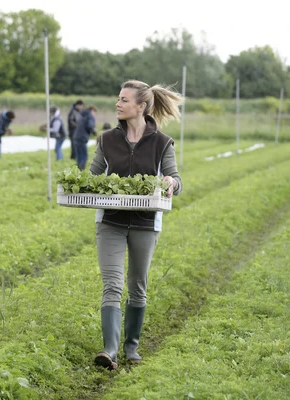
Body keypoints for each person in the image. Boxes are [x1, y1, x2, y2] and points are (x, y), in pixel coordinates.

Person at [90, 80, 183, 370]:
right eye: (118, 99)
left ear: (141, 106)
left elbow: (176, 180)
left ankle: (131, 347)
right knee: (112, 286)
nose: (118, 104)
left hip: (145, 223)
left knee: (138, 286)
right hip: (111, 221)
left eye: (124, 100)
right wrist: (81, 184)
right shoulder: (106, 140)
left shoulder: (162, 143)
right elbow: (91, 177)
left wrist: (170, 183)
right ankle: (109, 351)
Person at [72, 106, 97, 170]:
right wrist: (94, 132)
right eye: (95, 112)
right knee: (84, 156)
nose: (95, 114)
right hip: (82, 138)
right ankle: (82, 171)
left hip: (76, 137)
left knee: (79, 155)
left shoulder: (81, 115)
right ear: (92, 110)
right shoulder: (90, 116)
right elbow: (90, 126)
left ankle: (78, 170)